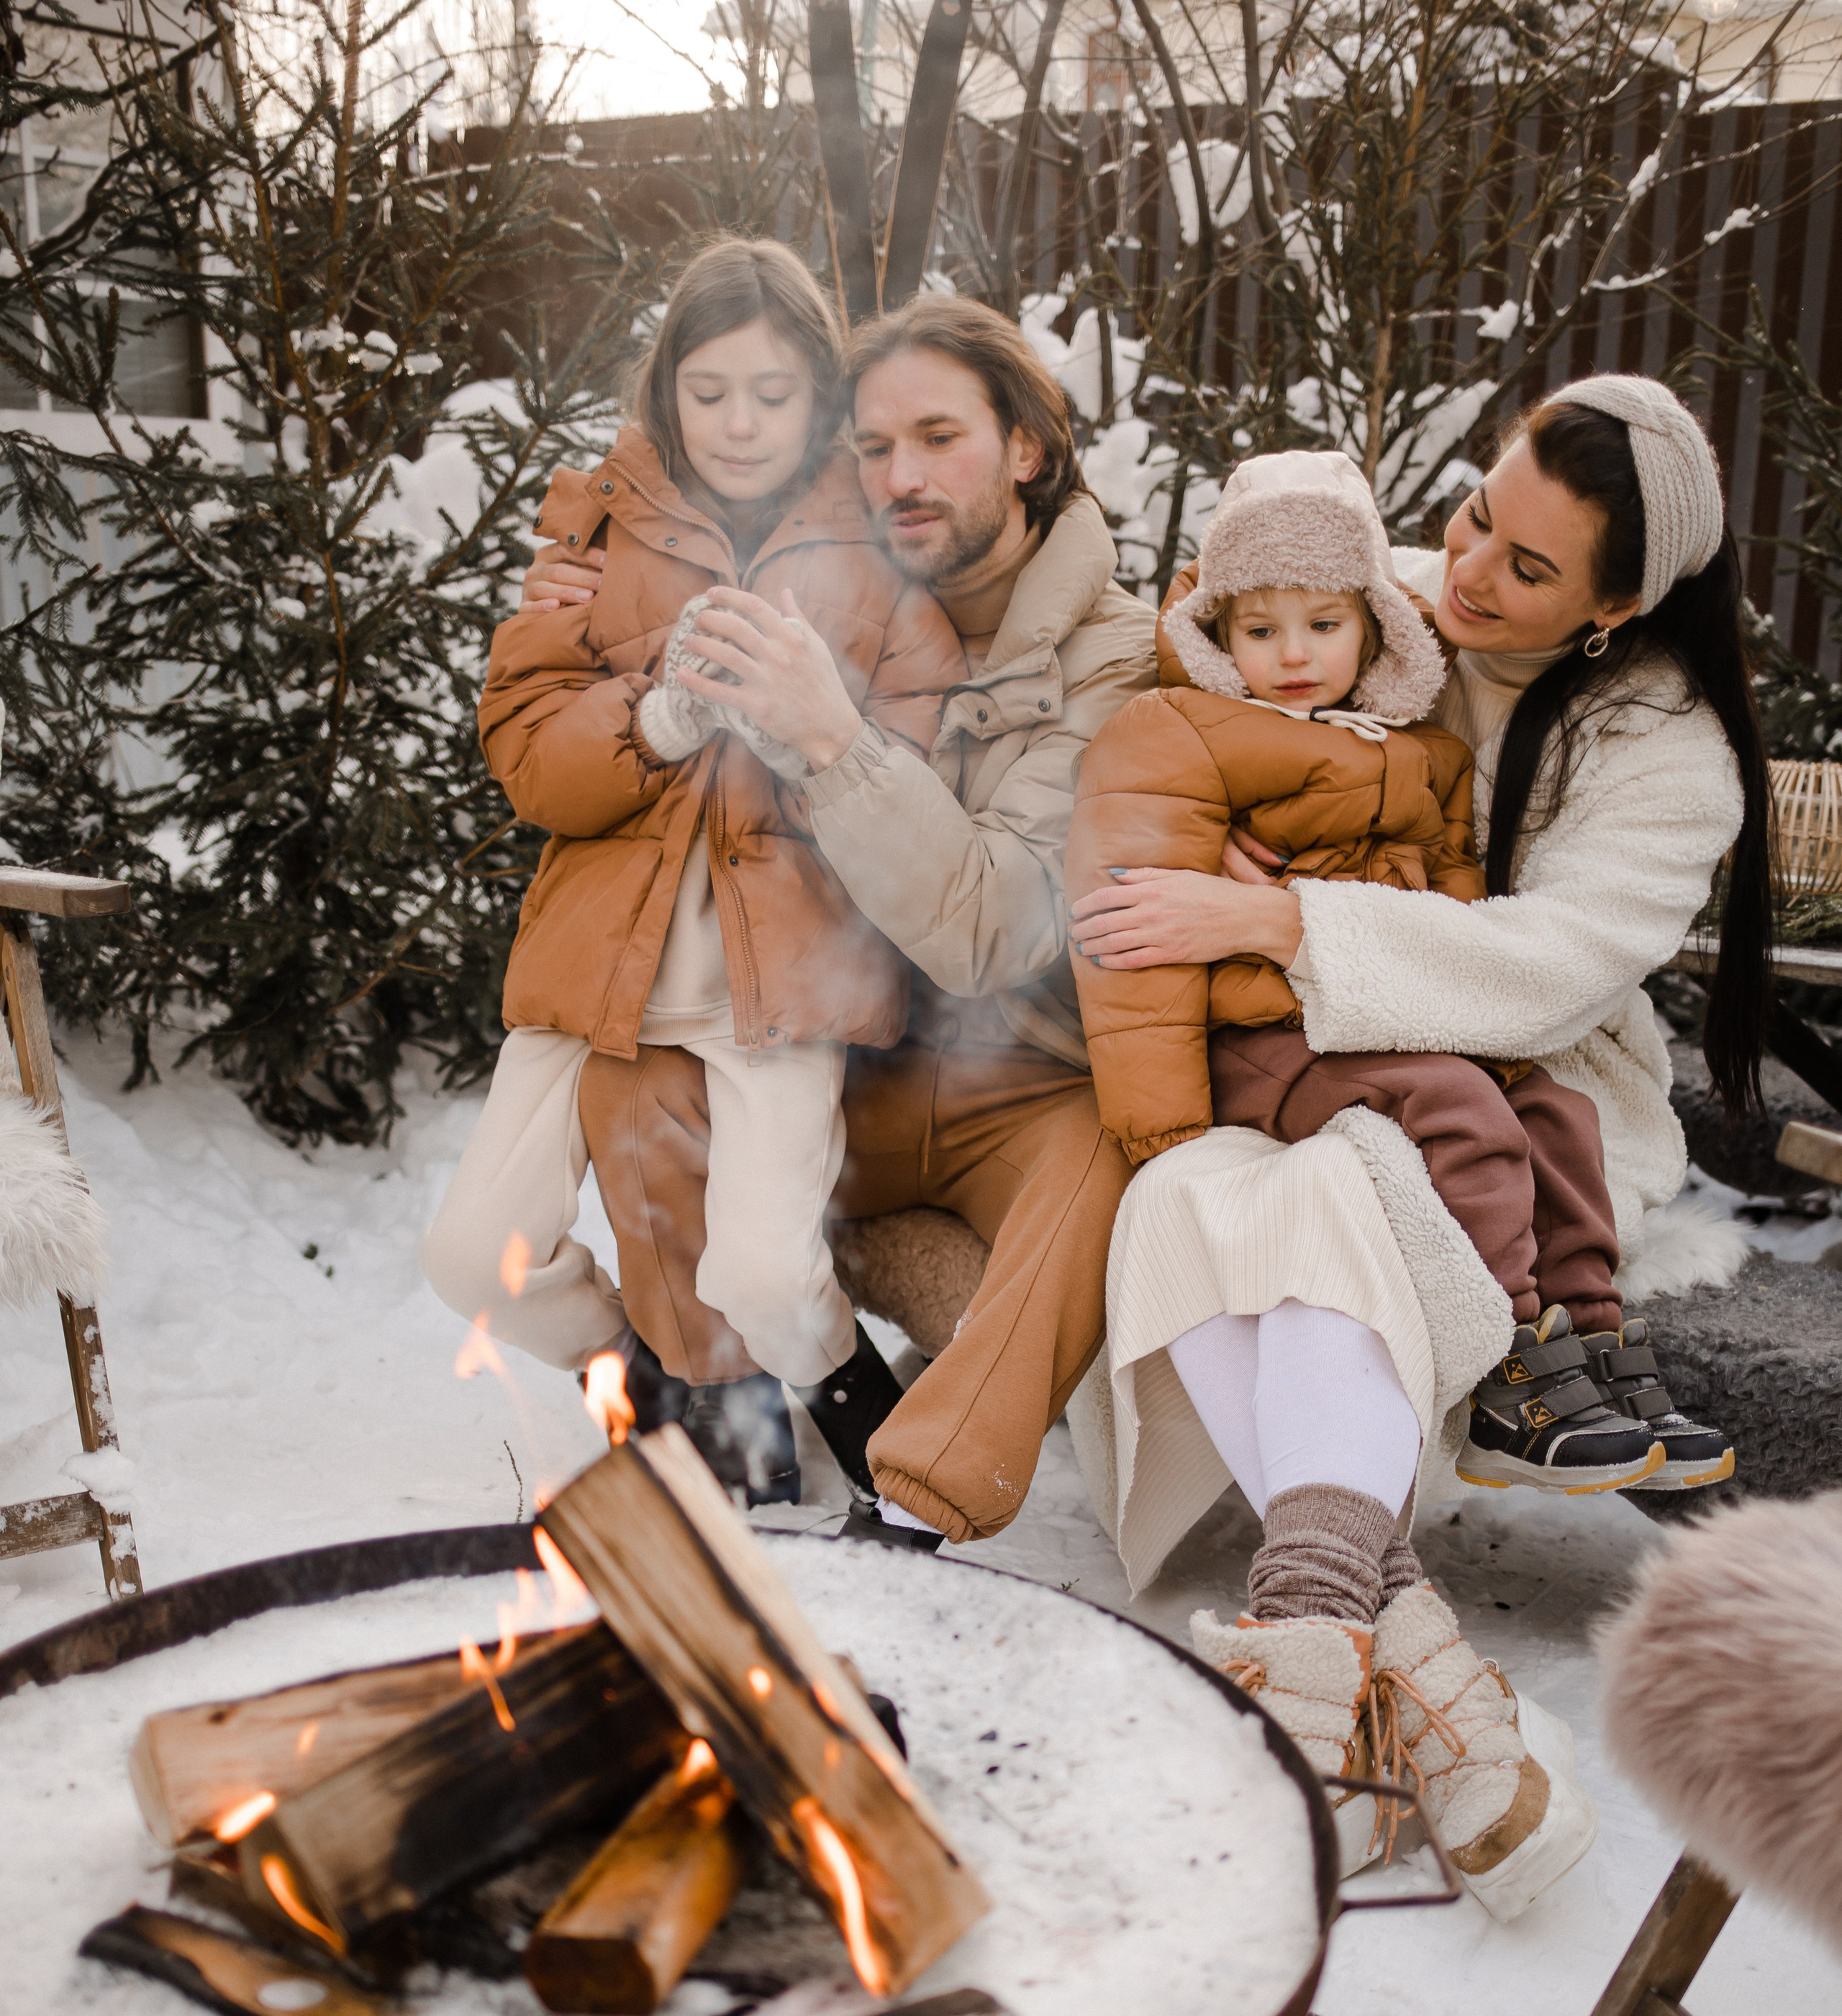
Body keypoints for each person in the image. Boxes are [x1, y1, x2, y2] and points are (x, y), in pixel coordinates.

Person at [1067, 376, 1772, 1920]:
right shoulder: (1363, 603)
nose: (1458, 576)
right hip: (1275, 1040)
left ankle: (1332, 1619)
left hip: (1524, 1092)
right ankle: (1416, 1673)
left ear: (1615, 605)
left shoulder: (1666, 752)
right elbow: (1174, 652)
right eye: (1470, 518)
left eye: (1525, 570)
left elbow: (1546, 967)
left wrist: (1281, 910)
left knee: (1332, 1201)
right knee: (1179, 1195)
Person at [520, 294, 1156, 1548]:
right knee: (651, 1080)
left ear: (1027, 444)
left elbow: (1001, 926)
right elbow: (609, 706)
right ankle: (710, 1405)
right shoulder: (817, 595)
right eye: (870, 449)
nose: (900, 478)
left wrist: (835, 738)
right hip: (834, 1060)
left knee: (1101, 1147)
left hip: (1003, 1079)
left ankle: (923, 1487)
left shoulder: (1115, 657)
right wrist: (576, 605)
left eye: (938, 437)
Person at [422, 239, 963, 1504]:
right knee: (472, 1256)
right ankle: (642, 1381)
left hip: (777, 991)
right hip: (592, 978)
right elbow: (526, 753)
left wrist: (806, 731)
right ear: (668, 386)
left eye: (772, 395)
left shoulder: (876, 554)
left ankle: (887, 1453)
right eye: (709, 391)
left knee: (768, 1276)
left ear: (821, 396)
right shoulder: (595, 530)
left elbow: (919, 758)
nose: (738, 423)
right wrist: (657, 718)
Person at [1067, 445, 1704, 1500]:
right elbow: (1131, 946)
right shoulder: (1178, 730)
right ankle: (1502, 1362)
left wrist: (1409, 969)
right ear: (1221, 634)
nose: (1295, 654)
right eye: (1260, 633)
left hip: (1379, 1018)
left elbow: (1461, 899)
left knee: (1555, 1111)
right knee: (1460, 1109)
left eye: (1324, 628)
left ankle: (1586, 1338)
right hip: (1259, 1036)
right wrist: (1161, 1136)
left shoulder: (1422, 750)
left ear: (1375, 625)